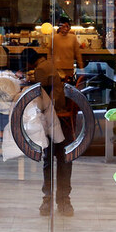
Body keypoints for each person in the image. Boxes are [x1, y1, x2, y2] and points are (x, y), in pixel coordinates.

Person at [31, 50, 75, 216]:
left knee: (51, 160)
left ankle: (50, 200)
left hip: (56, 119)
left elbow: (41, 96)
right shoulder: (50, 65)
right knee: (62, 160)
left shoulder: (41, 69)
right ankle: (62, 200)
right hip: (58, 118)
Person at [52, 16, 84, 81]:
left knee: (68, 85)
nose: (65, 28)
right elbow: (50, 54)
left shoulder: (73, 37)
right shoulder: (55, 38)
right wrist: (50, 66)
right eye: (63, 26)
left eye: (67, 26)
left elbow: (77, 54)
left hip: (69, 68)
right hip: (57, 68)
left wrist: (81, 68)